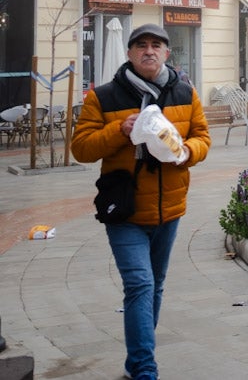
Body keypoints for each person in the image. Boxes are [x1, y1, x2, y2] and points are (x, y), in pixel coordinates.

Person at [70, 23, 210, 380]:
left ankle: (137, 360)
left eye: (157, 45)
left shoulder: (185, 91)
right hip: (125, 209)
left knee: (156, 284)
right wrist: (119, 130)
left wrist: (186, 152)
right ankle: (146, 370)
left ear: (166, 53)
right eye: (141, 45)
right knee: (140, 285)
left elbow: (203, 138)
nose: (149, 51)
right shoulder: (103, 97)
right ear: (130, 54)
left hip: (170, 208)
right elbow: (81, 148)